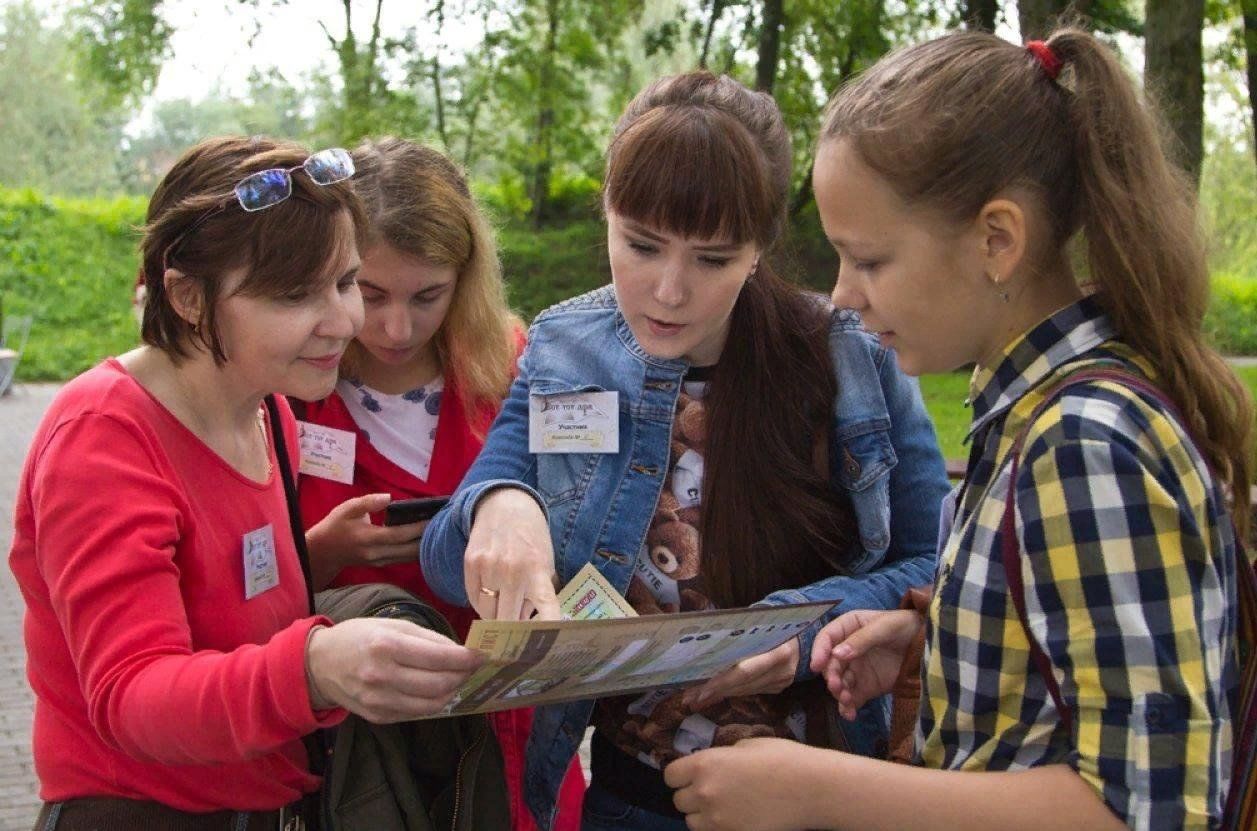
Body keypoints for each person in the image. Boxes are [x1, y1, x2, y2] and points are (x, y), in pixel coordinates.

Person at [663, 27, 1253, 831]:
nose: (841, 296)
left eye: (868, 260)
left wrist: (816, 789)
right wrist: (932, 638)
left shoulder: (1083, 445)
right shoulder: (1031, 410)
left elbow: (1141, 809)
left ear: (995, 240)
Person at [419, 70, 952, 831]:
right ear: (606, 212)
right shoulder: (566, 350)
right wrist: (498, 505)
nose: (668, 291)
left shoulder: (848, 357)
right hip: (631, 794)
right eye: (639, 245)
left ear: (759, 249)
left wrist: (795, 632)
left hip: (821, 788)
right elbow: (444, 557)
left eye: (711, 259)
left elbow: (937, 561)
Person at [9, 136, 484, 830]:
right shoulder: (104, 436)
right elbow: (130, 694)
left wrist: (315, 562)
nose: (344, 321)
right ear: (188, 296)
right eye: (295, 295)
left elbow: (233, 594)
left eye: (345, 281)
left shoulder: (269, 412)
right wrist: (314, 667)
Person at [296, 136, 585, 831]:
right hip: (360, 757)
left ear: (467, 278)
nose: (396, 326)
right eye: (369, 294)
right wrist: (321, 553)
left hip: (511, 730)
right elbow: (233, 591)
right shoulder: (291, 390)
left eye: (428, 295)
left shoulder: (517, 366)